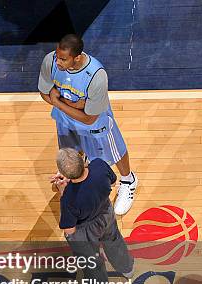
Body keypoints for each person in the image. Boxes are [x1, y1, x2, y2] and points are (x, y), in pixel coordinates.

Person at [39, 34, 138, 215]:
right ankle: (75, 172)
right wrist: (75, 105)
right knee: (71, 151)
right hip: (65, 120)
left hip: (96, 124)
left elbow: (89, 118)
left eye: (63, 59)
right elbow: (44, 93)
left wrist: (59, 102)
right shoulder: (50, 61)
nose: (58, 62)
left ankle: (128, 180)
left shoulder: (96, 75)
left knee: (115, 152)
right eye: (57, 56)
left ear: (77, 57)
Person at [51, 148, 134, 284]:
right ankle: (127, 268)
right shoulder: (99, 166)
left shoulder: (68, 198)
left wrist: (63, 191)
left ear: (64, 174)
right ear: (82, 161)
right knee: (114, 240)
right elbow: (112, 182)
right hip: (106, 214)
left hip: (86, 229)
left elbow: (69, 229)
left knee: (92, 262)